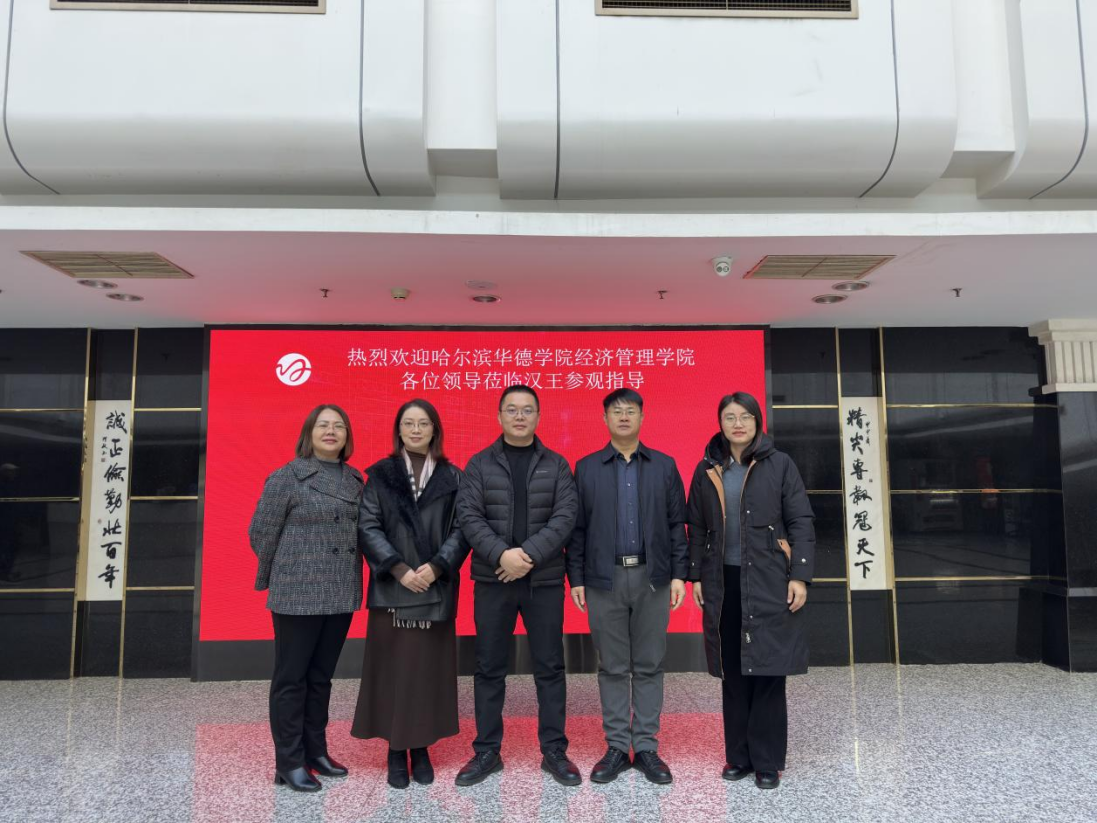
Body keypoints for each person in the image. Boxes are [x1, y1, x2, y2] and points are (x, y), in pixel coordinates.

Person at [686, 392, 815, 790]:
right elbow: (697, 527)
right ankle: (738, 757)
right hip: (723, 581)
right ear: (720, 423)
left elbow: (801, 520)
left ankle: (767, 761)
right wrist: (695, 575)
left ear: (758, 421)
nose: (737, 424)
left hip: (771, 578)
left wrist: (800, 575)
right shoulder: (708, 468)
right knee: (734, 671)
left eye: (745, 416)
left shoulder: (780, 464)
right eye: (730, 417)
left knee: (769, 670)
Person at [453, 384, 580, 787]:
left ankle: (554, 750)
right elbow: (469, 516)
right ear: (499, 416)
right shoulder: (479, 464)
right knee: (489, 667)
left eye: (527, 410)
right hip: (494, 580)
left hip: (543, 581)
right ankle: (486, 751)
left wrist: (524, 557)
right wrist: (501, 556)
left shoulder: (557, 464)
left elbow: (566, 517)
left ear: (538, 417)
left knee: (550, 666)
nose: (520, 416)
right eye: (512, 409)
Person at [567, 389, 688, 785]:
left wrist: (679, 574)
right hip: (604, 579)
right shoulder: (587, 468)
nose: (623, 417)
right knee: (613, 666)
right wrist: (577, 578)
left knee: (650, 663)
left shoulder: (664, 466)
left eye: (630, 411)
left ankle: (647, 746)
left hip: (653, 578)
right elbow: (577, 530)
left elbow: (677, 525)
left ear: (642, 417)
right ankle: (618, 746)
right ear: (604, 419)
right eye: (616, 411)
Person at [351, 399, 470, 789]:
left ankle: (420, 748)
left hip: (436, 586)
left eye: (423, 423)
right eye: (408, 423)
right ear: (398, 430)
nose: (416, 430)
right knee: (392, 671)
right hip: (392, 588)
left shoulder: (453, 476)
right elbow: (368, 526)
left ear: (435, 430)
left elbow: (463, 528)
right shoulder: (380, 475)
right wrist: (399, 569)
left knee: (426, 672)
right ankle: (394, 750)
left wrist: (437, 567)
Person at [248, 404, 364, 793]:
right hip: (297, 591)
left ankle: (316, 752)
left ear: (347, 436)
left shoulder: (356, 479)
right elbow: (261, 532)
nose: (331, 431)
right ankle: (289, 762)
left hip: (341, 590)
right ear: (309, 433)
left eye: (339, 426)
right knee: (291, 678)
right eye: (323, 425)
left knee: (321, 677)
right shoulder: (286, 477)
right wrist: (288, 569)